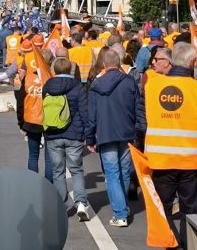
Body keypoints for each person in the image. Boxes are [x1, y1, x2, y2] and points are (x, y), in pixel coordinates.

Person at [144, 42, 197, 250]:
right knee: (188, 209)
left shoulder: (151, 86)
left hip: (160, 159)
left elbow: (139, 119)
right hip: (190, 159)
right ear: (191, 62)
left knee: (162, 210)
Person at [86, 49, 146, 226]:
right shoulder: (129, 82)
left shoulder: (96, 85)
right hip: (126, 132)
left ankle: (120, 214)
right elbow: (138, 108)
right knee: (124, 171)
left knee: (112, 173)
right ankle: (123, 208)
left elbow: (92, 115)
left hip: (105, 133)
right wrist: (140, 129)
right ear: (120, 63)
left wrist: (90, 138)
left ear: (103, 65)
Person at [42, 57, 92, 221]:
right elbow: (84, 112)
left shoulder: (47, 86)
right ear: (70, 69)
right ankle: (81, 204)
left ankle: (61, 206)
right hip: (74, 135)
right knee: (76, 170)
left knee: (58, 172)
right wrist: (87, 135)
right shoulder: (76, 86)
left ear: (54, 70)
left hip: (53, 133)